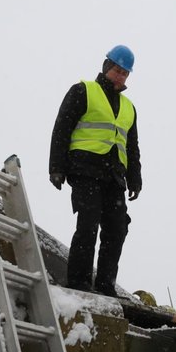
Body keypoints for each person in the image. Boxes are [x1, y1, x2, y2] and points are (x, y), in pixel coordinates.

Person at [49, 45, 142, 297]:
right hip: (85, 170)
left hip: (114, 176)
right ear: (106, 67)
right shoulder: (83, 91)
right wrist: (56, 167)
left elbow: (131, 146)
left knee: (117, 228)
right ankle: (78, 282)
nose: (120, 76)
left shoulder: (128, 107)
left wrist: (135, 177)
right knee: (88, 223)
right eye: (117, 70)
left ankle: (105, 285)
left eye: (125, 73)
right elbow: (62, 128)